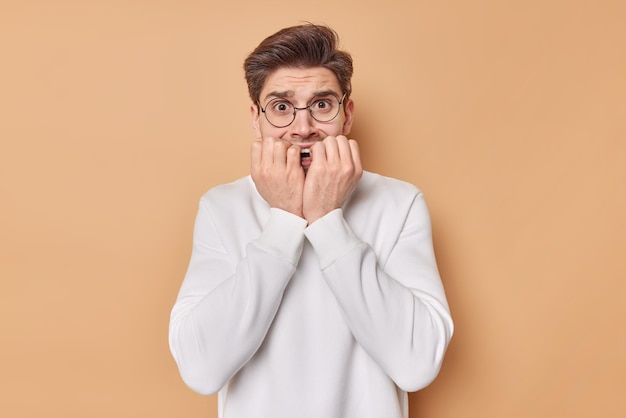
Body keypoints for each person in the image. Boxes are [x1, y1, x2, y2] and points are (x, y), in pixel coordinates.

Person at [169, 23, 453, 418]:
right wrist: (284, 220)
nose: (303, 129)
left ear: (346, 114)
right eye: (282, 107)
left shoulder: (399, 203)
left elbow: (416, 364)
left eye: (321, 104)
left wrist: (327, 219)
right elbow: (201, 369)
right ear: (257, 118)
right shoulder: (222, 207)